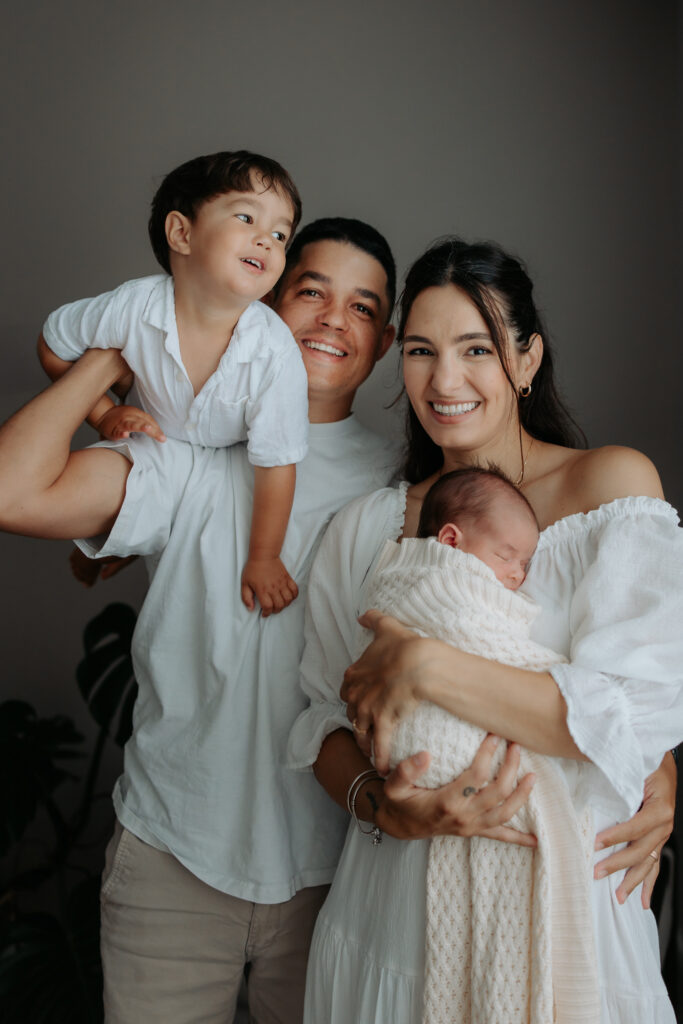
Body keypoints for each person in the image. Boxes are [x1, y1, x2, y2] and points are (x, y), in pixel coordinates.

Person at [0, 217, 400, 1022]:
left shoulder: (405, 484)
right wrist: (116, 354)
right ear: (265, 304)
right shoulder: (188, 450)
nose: (332, 320)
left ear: (384, 341)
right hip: (171, 855)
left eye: (362, 307)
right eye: (310, 292)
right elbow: (14, 493)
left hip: (340, 870)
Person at [287, 237, 683, 1023]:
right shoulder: (365, 527)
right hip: (394, 908)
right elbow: (322, 721)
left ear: (527, 359)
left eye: (476, 349)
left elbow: (624, 717)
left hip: (566, 906)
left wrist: (423, 666)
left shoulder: (611, 487)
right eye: (420, 351)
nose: (444, 381)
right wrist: (380, 806)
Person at [365, 467, 596, 1022]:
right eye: (507, 556)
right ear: (450, 542)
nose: (517, 575)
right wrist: (561, 675)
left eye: (525, 564)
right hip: (426, 745)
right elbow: (489, 646)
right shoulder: (441, 583)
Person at [39, 150, 309, 616]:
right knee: (103, 496)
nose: (266, 240)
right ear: (182, 234)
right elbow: (53, 344)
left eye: (281, 234)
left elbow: (277, 465)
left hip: (228, 455)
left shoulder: (274, 349)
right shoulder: (133, 305)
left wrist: (264, 558)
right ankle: (106, 545)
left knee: (206, 538)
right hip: (154, 439)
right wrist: (104, 414)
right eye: (247, 218)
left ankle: (117, 549)